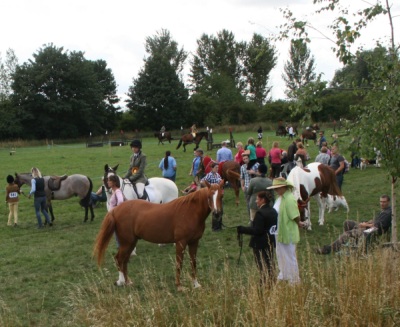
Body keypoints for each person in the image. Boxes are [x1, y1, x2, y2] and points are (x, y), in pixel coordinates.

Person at [316, 195, 392, 254]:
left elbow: (377, 226)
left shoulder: (387, 213)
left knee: (347, 233)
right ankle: (351, 244)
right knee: (347, 223)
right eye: (381, 201)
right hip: (369, 227)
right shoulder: (384, 211)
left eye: (384, 202)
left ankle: (329, 249)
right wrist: (366, 222)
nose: (382, 203)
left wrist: (365, 225)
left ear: (388, 202)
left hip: (372, 232)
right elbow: (376, 221)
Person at [267, 177, 304, 284]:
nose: (276, 190)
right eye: (275, 188)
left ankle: (294, 279)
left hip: (288, 231)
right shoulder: (281, 198)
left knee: (289, 255)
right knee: (280, 254)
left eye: (277, 188)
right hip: (279, 231)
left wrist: (299, 223)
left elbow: (295, 215)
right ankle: (284, 273)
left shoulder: (289, 198)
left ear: (284, 187)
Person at [237, 191, 278, 286]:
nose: (256, 201)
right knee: (270, 263)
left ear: (263, 200)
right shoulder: (273, 211)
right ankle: (272, 282)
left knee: (262, 265)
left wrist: (242, 229)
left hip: (260, 244)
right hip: (270, 242)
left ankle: (264, 283)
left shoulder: (260, 213)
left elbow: (257, 230)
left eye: (257, 199)